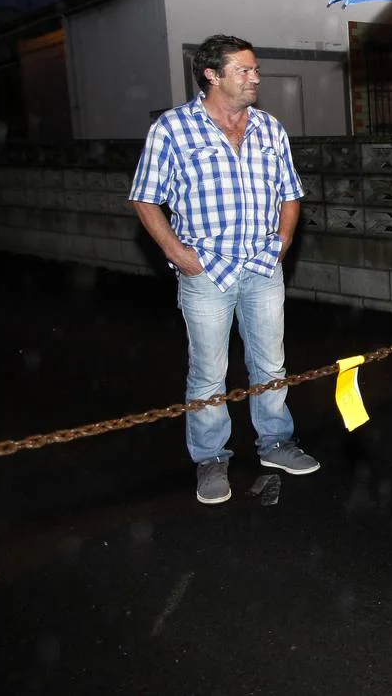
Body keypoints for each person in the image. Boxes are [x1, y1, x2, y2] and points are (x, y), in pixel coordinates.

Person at [129, 34, 318, 505]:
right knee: (209, 372)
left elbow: (290, 192)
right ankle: (211, 458)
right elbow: (144, 198)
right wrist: (177, 253)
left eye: (255, 70)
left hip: (261, 266)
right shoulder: (173, 129)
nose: (256, 78)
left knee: (270, 363)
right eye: (245, 70)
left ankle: (275, 443)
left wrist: (284, 241)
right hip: (205, 271)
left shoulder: (270, 128)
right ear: (212, 75)